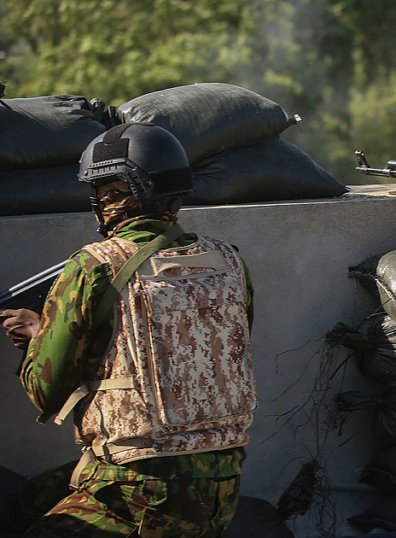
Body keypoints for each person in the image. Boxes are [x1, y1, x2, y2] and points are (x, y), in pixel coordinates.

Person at [0, 123, 258, 537]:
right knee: (36, 496)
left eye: (104, 193)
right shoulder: (229, 262)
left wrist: (35, 335)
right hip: (221, 487)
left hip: (140, 489)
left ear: (116, 196)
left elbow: (45, 391)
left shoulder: (94, 266)